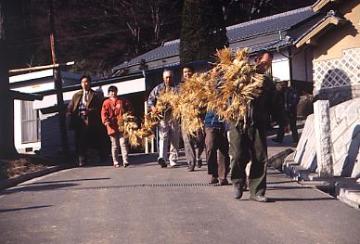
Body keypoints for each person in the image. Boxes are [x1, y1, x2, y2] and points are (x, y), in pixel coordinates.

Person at [229, 51, 276, 202]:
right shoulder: (241, 74)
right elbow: (223, 90)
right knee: (237, 154)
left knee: (260, 156)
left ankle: (257, 191)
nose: (265, 66)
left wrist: (282, 121)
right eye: (264, 62)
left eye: (268, 64)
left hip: (258, 122)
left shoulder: (267, 82)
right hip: (238, 121)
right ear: (257, 60)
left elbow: (274, 104)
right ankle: (238, 182)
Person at [67, 75, 103, 167]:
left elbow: (99, 108)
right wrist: (69, 113)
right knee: (79, 141)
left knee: (91, 139)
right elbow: (71, 106)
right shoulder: (77, 95)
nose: (85, 84)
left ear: (90, 83)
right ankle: (81, 160)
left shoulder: (95, 95)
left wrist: (90, 111)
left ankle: (94, 157)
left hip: (91, 120)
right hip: (79, 120)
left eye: (86, 82)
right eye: (83, 82)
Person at [147, 69, 180, 168]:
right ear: (163, 78)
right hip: (162, 117)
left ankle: (173, 160)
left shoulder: (177, 88)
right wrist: (153, 108)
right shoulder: (158, 88)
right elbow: (150, 100)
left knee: (175, 138)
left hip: (174, 115)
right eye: (166, 77)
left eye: (170, 77)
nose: (168, 79)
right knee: (163, 137)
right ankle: (162, 158)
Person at [180, 65, 205, 171]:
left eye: (189, 71)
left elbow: (204, 98)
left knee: (200, 140)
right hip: (186, 117)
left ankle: (199, 156)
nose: (187, 74)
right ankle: (191, 162)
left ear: (192, 72)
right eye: (185, 72)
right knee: (187, 140)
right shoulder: (180, 87)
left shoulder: (199, 85)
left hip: (197, 116)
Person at [101, 86, 131, 168]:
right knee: (114, 145)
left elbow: (128, 108)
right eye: (111, 92)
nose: (113, 93)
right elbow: (104, 113)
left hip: (121, 125)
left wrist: (128, 116)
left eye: (114, 91)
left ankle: (125, 160)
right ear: (108, 93)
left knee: (123, 143)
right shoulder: (106, 102)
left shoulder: (121, 101)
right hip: (112, 126)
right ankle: (116, 161)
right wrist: (106, 121)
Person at [204, 111, 230, 185]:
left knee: (224, 151)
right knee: (210, 147)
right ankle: (214, 173)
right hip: (211, 124)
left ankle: (223, 176)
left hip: (225, 124)